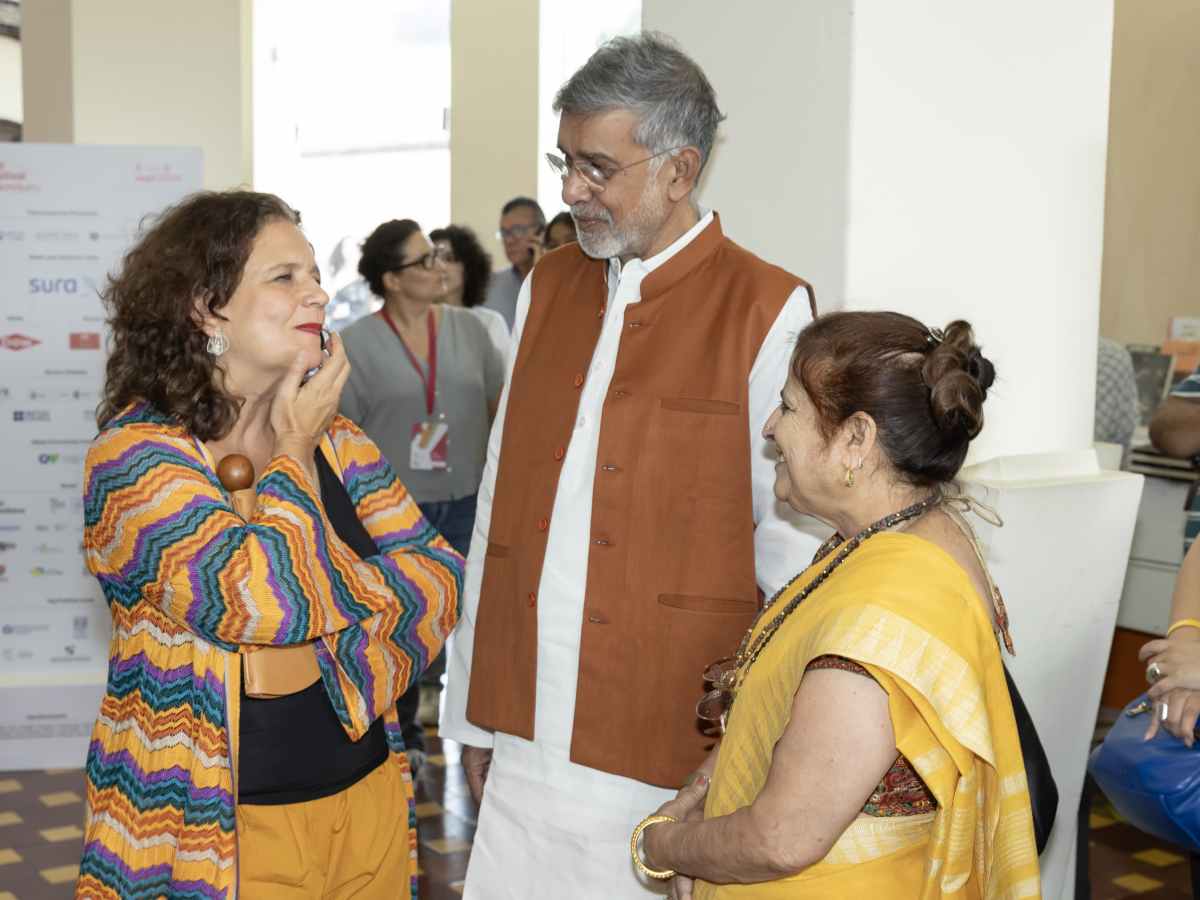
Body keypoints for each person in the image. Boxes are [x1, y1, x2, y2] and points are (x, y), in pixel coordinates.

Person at [440, 32, 824, 898]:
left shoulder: (766, 308)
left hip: (668, 730)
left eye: (597, 168)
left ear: (680, 171)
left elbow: (791, 550)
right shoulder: (549, 283)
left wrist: (753, 746)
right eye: (564, 161)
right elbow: (500, 503)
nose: (570, 191)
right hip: (526, 721)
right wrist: (471, 714)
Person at [77, 191, 462, 899]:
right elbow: (262, 604)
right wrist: (292, 448)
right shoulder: (133, 459)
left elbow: (440, 577)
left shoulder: (339, 441)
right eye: (284, 277)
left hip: (370, 799)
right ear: (204, 307)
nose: (316, 292)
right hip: (211, 827)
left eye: (314, 273)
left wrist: (325, 591)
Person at [634, 313, 1040, 898]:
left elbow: (783, 838)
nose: (771, 427)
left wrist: (660, 843)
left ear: (857, 439)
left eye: (790, 407)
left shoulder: (887, 604)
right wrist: (699, 795)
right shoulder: (903, 533)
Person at [339, 219, 504, 754]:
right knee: (399, 621)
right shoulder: (354, 345)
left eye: (436, 257)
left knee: (474, 619)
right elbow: (342, 439)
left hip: (469, 500)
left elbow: (497, 409)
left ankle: (478, 733)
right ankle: (401, 734)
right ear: (391, 279)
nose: (438, 268)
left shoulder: (472, 330)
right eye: (423, 260)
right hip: (390, 514)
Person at [431, 224, 511, 360]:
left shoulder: (489, 322)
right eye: (432, 259)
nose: (440, 267)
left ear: (469, 267)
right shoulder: (415, 320)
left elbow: (503, 377)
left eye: (449, 259)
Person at [481, 196, 545, 329]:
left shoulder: (558, 282)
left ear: (541, 232)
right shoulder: (490, 285)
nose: (509, 240)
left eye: (518, 230)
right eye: (504, 232)